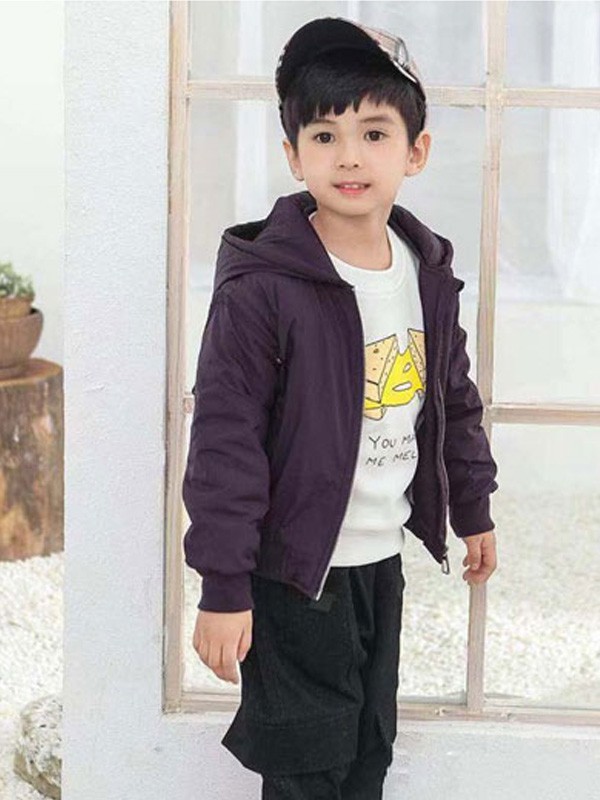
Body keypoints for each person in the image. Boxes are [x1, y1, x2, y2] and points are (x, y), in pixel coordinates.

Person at [182, 15, 499, 799]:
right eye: (323, 136)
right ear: (294, 155)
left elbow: (453, 401)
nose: (349, 155)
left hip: (378, 561)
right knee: (306, 763)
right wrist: (223, 587)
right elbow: (226, 441)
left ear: (415, 152)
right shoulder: (262, 288)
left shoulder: (426, 271)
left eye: (374, 133)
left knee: (368, 747)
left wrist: (473, 508)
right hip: (292, 573)